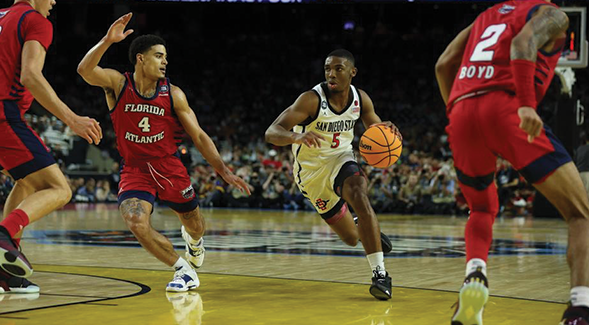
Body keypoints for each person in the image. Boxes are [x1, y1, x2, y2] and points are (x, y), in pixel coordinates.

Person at [435, 1, 589, 324]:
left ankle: (475, 275)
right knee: (580, 213)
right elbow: (523, 43)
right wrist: (526, 105)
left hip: (461, 111)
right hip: (506, 107)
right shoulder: (552, 13)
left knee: (480, 208)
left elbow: (444, 63)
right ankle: (579, 310)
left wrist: (457, 110)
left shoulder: (485, 16)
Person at [77, 13, 250, 292]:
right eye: (158, 56)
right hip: (134, 169)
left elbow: (199, 135)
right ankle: (183, 270)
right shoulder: (118, 84)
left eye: (166, 57)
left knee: (195, 225)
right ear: (140, 59)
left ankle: (194, 242)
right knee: (135, 220)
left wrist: (223, 169)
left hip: (169, 167)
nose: (165, 61)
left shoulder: (174, 94)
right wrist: (108, 40)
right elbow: (85, 70)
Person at [265, 49, 397, 300]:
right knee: (350, 238)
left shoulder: (361, 99)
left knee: (359, 194)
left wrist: (386, 131)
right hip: (312, 175)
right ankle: (364, 227)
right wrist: (296, 135)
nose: (331, 74)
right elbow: (271, 132)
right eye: (327, 68)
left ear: (352, 72)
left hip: (341, 159)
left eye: (338, 68)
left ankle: (380, 275)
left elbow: (375, 128)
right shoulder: (310, 100)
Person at [0, 0, 102, 294]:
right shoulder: (34, 20)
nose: (55, 1)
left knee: (26, 183)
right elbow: (30, 75)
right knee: (60, 189)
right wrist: (72, 119)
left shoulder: (3, 17)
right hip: (5, 115)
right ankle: (4, 235)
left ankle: (7, 274)